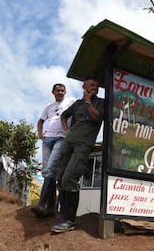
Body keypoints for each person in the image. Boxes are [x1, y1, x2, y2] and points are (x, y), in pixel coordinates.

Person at [51, 75, 105, 233]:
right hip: (68, 143)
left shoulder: (100, 103)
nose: (95, 87)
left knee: (70, 177)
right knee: (60, 177)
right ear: (84, 86)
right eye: (92, 84)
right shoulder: (76, 104)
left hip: (83, 145)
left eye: (97, 85)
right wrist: (67, 131)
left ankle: (69, 220)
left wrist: (89, 101)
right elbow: (63, 116)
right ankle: (62, 216)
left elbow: (97, 117)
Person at [31, 83, 75, 218]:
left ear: (65, 92)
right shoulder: (48, 106)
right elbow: (40, 121)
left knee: (51, 169)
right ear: (53, 92)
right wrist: (40, 134)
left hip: (60, 138)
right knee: (45, 172)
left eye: (62, 90)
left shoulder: (71, 101)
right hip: (47, 139)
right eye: (58, 91)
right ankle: (50, 208)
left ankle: (41, 204)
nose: (60, 93)